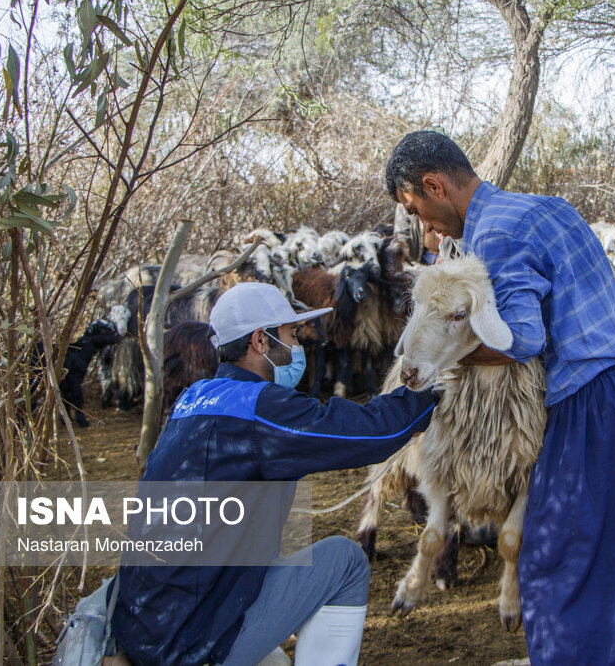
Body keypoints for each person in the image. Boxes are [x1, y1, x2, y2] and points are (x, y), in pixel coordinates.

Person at [384, 130, 615, 665]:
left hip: (589, 405)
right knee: (600, 554)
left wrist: (438, 361)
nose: (424, 226)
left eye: (415, 208)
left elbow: (520, 341)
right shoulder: (540, 207)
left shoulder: (497, 234)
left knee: (559, 557)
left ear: (433, 185)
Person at [108, 282, 439, 666]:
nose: (299, 346)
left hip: (144, 626)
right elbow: (372, 431)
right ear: (260, 341)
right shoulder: (257, 408)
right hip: (189, 642)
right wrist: (432, 391)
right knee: (345, 560)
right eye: (291, 335)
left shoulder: (192, 399)